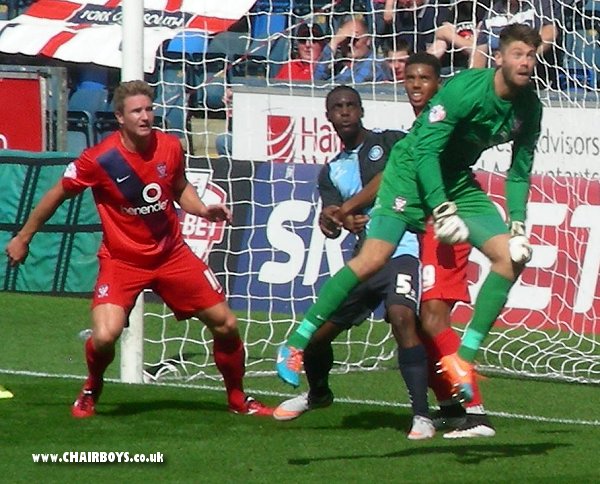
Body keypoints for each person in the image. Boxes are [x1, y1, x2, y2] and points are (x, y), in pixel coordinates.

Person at [277, 23, 542, 405]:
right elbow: (424, 152)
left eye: (531, 56)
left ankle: (462, 360)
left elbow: (519, 170)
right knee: (373, 258)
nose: (526, 62)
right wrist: (441, 206)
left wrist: (517, 222)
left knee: (511, 257)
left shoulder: (530, 107)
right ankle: (296, 343)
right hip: (409, 173)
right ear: (498, 58)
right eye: (518, 54)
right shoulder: (466, 89)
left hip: (456, 180)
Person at [6, 80, 273, 419]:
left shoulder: (170, 146)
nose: (146, 117)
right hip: (123, 261)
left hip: (170, 254)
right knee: (105, 336)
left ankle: (237, 398)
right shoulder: (99, 159)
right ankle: (92, 386)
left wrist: (204, 209)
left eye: (149, 109)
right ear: (120, 117)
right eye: (137, 111)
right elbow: (57, 193)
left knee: (226, 324)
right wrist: (24, 237)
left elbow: (179, 187)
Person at [273, 85, 434, 440]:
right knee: (316, 336)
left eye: (350, 105)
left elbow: (389, 178)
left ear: (361, 111)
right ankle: (318, 394)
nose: (344, 112)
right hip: (362, 261)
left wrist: (348, 208)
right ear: (328, 116)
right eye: (337, 107)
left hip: (401, 250)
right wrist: (338, 220)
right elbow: (329, 224)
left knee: (402, 317)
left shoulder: (390, 141)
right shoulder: (330, 171)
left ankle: (422, 415)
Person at [470, 0, 560, 87]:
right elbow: (480, 51)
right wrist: (476, 81)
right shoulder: (493, 11)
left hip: (532, 81)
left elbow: (550, 32)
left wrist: (524, 56)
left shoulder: (539, 4)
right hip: (495, 79)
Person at [314, 15, 387, 84]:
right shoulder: (338, 64)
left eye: (354, 40)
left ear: (368, 40)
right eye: (346, 39)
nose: (349, 44)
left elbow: (350, 88)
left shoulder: (374, 66)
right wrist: (334, 42)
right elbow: (316, 79)